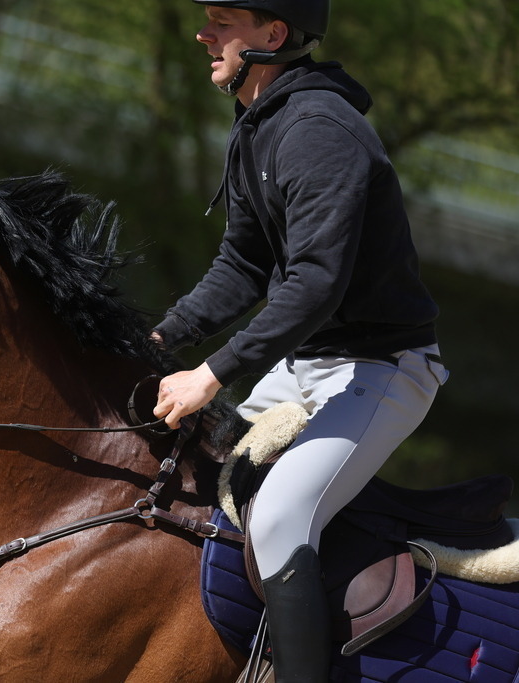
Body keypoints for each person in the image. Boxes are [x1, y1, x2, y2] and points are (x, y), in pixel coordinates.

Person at [150, 1, 449, 680]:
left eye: (223, 21)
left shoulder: (318, 130)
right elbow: (243, 265)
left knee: (280, 517)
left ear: (273, 34)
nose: (204, 34)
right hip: (305, 363)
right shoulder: (259, 124)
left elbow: (316, 285)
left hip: (381, 369)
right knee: (203, 477)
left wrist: (211, 373)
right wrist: (164, 336)